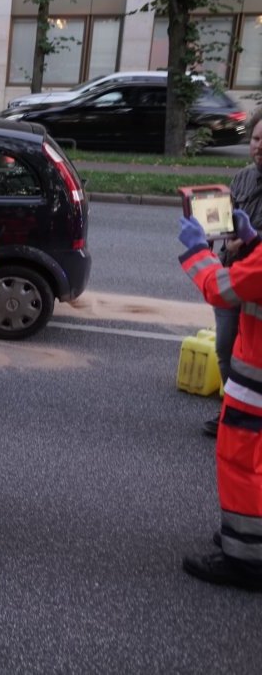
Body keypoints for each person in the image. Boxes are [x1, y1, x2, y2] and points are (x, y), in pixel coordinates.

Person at [178, 210, 262, 591]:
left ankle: (245, 559)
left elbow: (221, 287)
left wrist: (198, 249)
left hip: (256, 387)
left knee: (243, 467)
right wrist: (255, 240)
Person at [205, 110, 262, 437]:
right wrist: (213, 231)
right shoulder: (242, 176)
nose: (259, 146)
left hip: (256, 285)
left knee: (253, 356)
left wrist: (251, 239)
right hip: (232, 276)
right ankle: (232, 407)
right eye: (255, 139)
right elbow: (223, 220)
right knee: (226, 348)